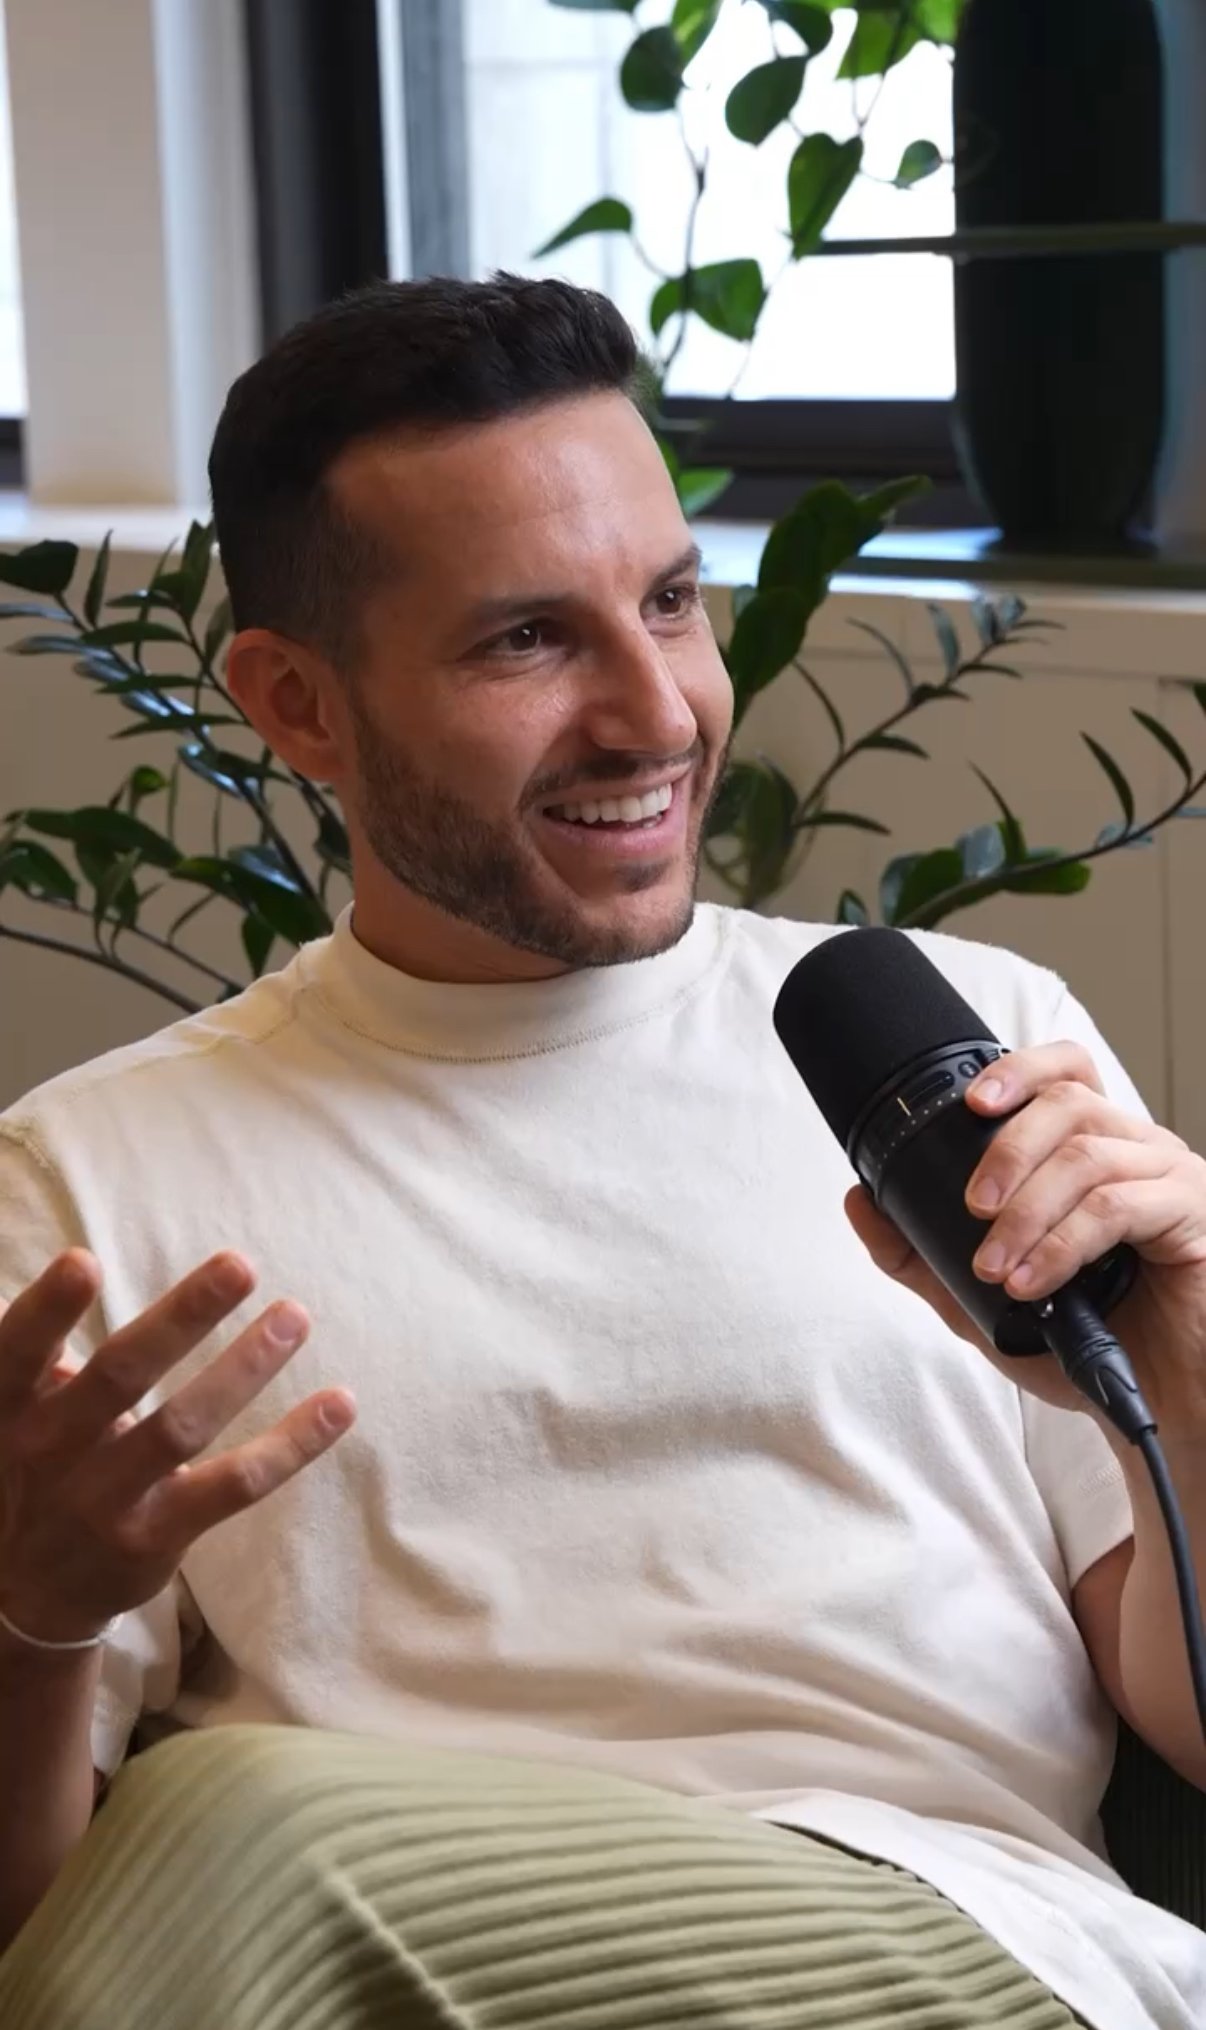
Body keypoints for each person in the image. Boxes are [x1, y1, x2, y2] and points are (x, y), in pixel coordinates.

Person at [0, 275, 1204, 2030]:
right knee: (217, 1834)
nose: (656, 713)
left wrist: (1183, 1380)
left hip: (970, 1965)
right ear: (297, 705)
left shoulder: (965, 1050)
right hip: (351, 1976)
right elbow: (36, 1940)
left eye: (670, 600)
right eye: (525, 640)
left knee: (231, 1815)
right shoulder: (94, 1185)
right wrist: (30, 1621)